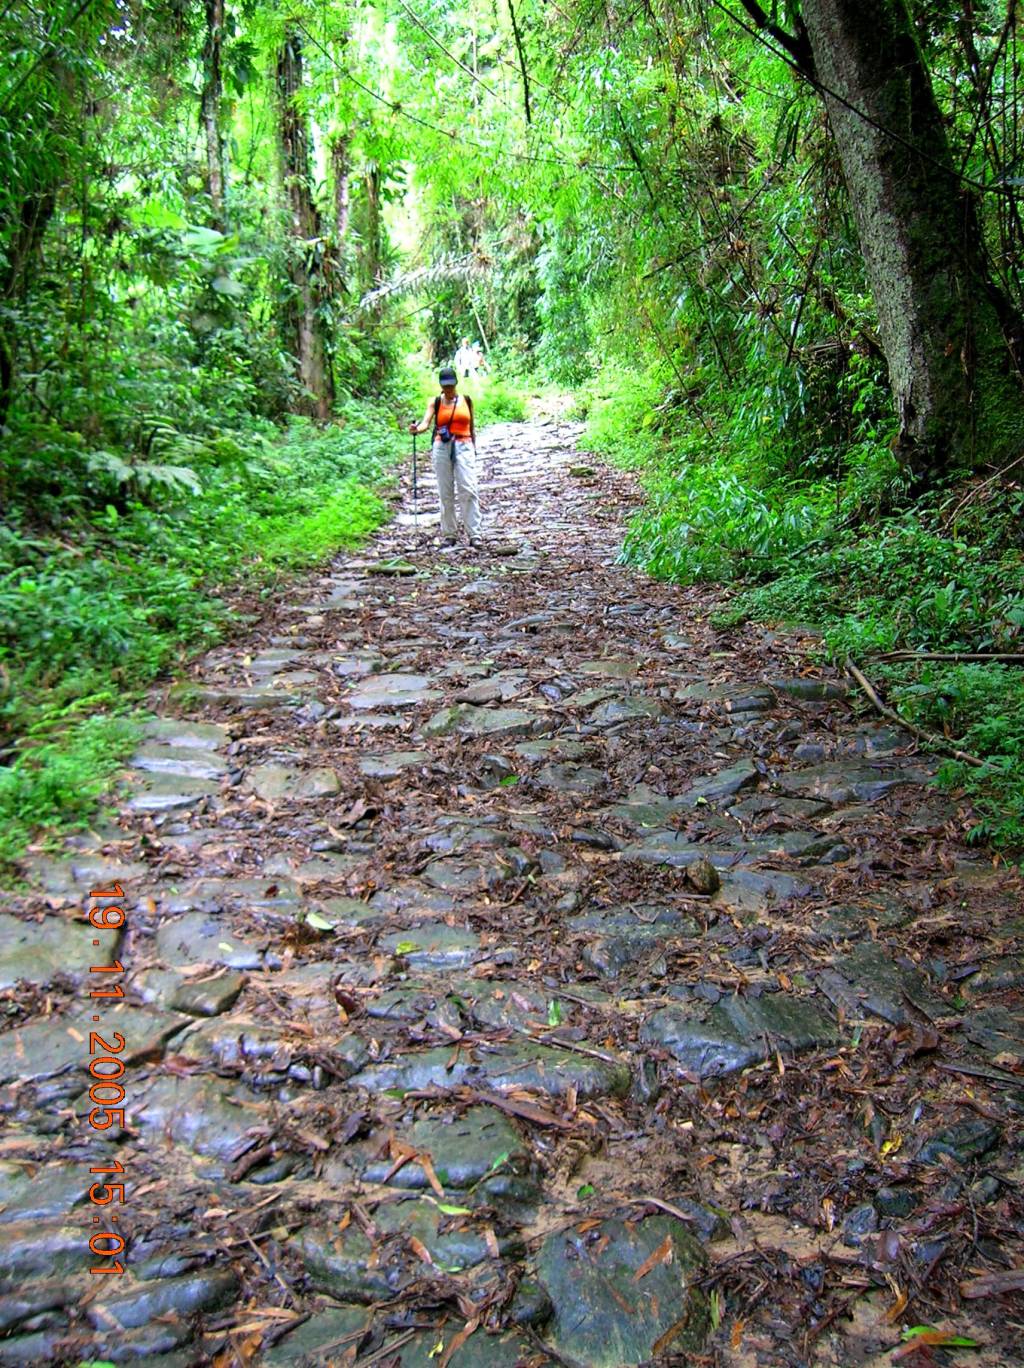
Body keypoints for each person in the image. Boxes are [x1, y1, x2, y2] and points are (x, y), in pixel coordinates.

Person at [409, 367, 482, 547]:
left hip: (464, 445)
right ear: (441, 386)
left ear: (456, 383)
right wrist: (416, 429)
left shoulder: (466, 400)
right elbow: (426, 423)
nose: (448, 390)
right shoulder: (435, 402)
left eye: (451, 386)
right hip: (442, 446)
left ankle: (474, 534)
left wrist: (474, 446)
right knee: (445, 491)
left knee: (468, 489)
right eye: (445, 386)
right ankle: (450, 534)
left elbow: (471, 426)